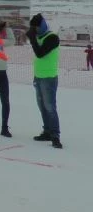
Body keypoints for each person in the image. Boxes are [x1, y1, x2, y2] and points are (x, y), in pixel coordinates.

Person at [25, 13, 62, 149]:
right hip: (38, 77)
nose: (35, 30)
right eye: (33, 28)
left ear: (42, 25)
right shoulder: (39, 36)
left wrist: (33, 39)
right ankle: (47, 131)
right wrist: (34, 38)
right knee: (42, 107)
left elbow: (40, 53)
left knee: (50, 107)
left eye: (36, 27)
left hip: (49, 78)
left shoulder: (52, 38)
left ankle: (55, 135)